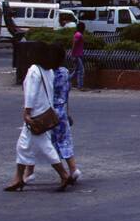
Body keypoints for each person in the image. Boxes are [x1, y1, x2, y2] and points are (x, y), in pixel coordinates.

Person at [5, 44, 73, 191]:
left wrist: (26, 112)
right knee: (23, 146)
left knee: (45, 147)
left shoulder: (34, 70)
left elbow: (31, 93)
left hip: (35, 116)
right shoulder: (48, 71)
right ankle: (18, 178)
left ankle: (64, 174)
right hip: (46, 113)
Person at [24, 58, 80, 185]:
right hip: (61, 109)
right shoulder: (64, 72)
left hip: (47, 111)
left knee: (37, 140)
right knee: (64, 140)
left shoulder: (47, 73)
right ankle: (73, 168)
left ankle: (29, 171)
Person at [71, 21, 86, 90]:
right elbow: (74, 44)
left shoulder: (78, 34)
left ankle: (66, 80)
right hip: (77, 55)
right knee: (81, 70)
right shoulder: (78, 35)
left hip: (78, 55)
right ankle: (80, 86)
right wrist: (73, 55)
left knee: (76, 71)